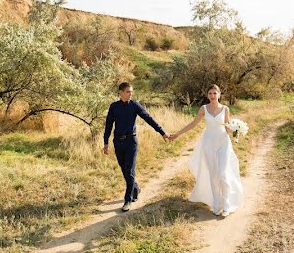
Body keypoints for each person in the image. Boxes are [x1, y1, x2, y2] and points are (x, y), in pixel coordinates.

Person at [169, 85, 244, 216]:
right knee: (213, 175)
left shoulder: (225, 109)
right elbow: (193, 124)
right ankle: (216, 203)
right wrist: (178, 134)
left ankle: (226, 204)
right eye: (210, 93)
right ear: (207, 95)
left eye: (215, 93)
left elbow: (227, 127)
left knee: (223, 173)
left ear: (219, 94)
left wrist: (236, 130)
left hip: (223, 144)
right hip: (208, 144)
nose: (212, 96)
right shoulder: (204, 109)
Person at [104, 82, 170, 212]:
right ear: (121, 92)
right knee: (124, 169)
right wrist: (105, 142)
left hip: (131, 142)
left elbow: (148, 118)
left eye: (131, 92)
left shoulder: (134, 105)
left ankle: (127, 200)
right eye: (128, 91)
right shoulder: (114, 107)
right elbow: (108, 125)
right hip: (117, 142)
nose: (130, 94)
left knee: (129, 170)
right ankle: (135, 187)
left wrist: (162, 132)